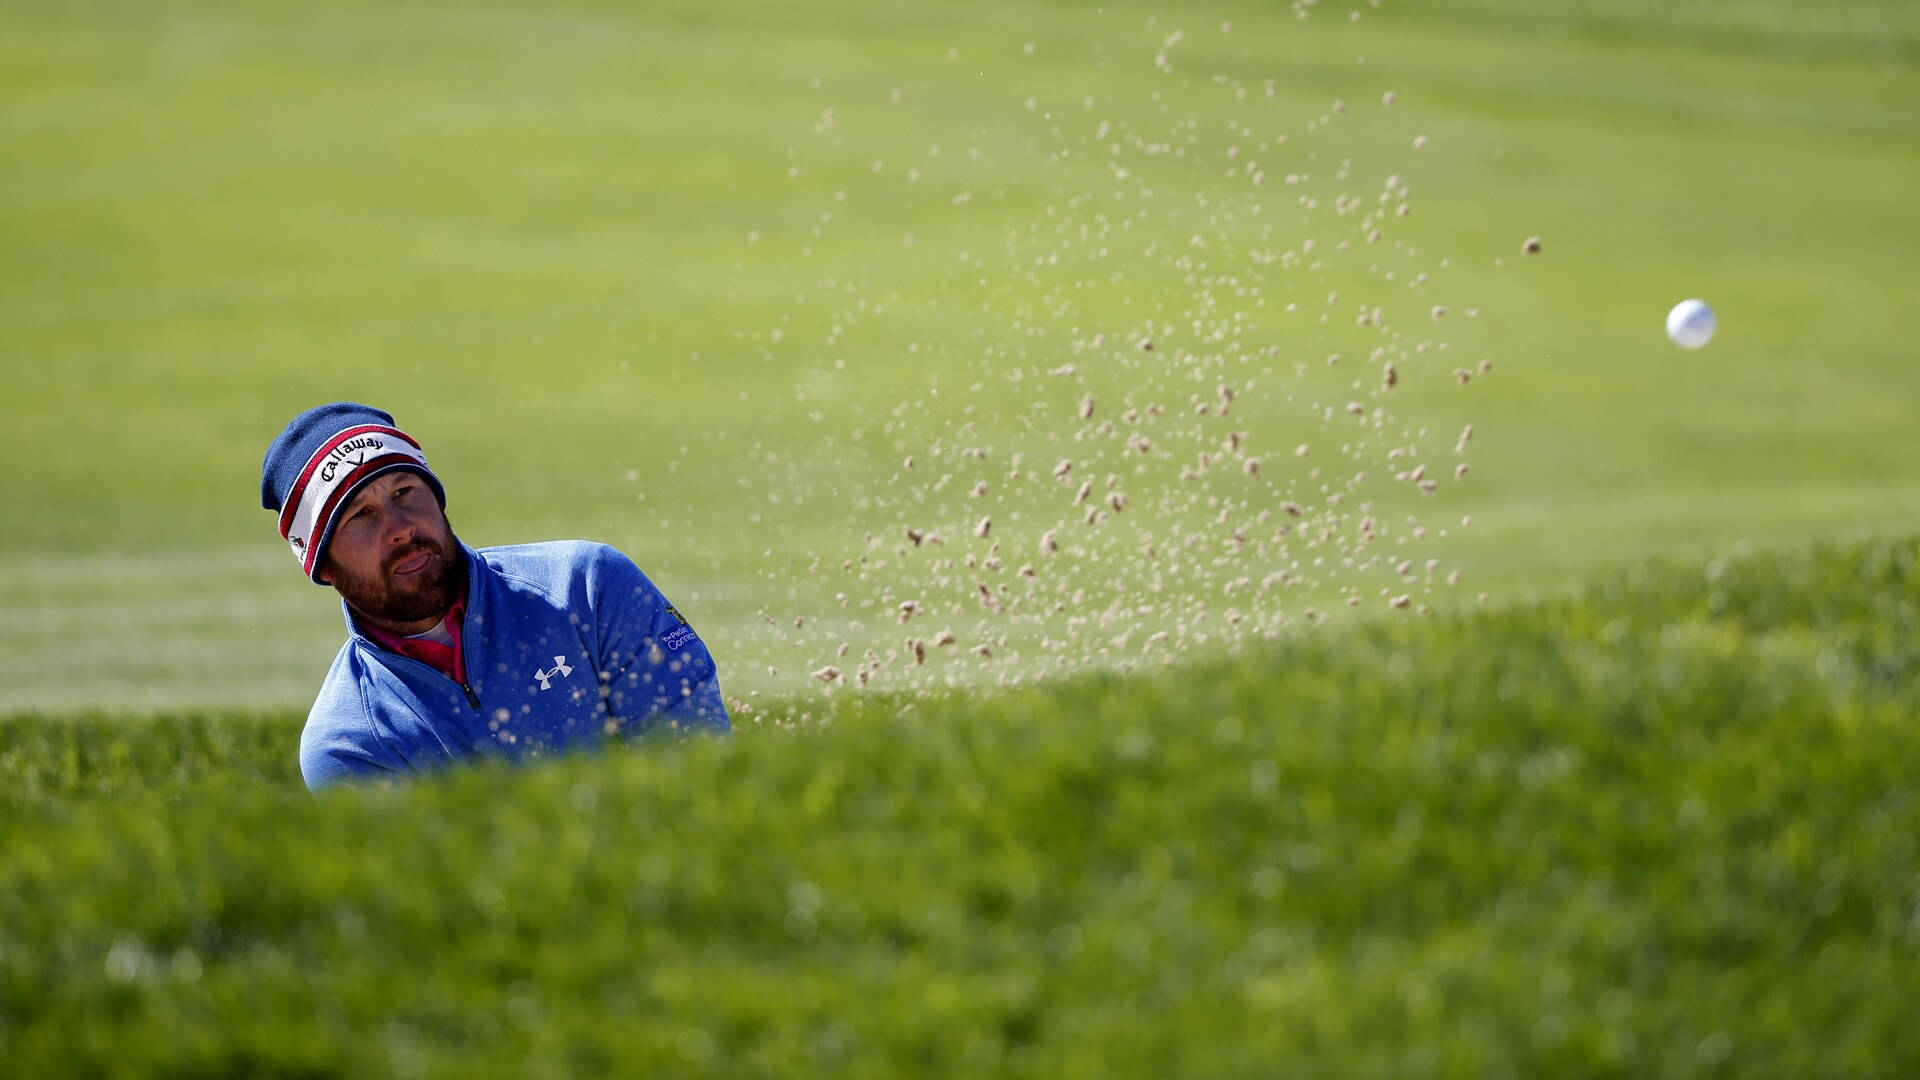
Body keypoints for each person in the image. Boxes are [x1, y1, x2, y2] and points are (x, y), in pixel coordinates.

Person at [260, 402, 728, 790]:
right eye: (361, 516)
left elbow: (701, 776)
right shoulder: (349, 743)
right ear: (322, 565)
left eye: (406, 491)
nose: (401, 528)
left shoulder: (586, 587)